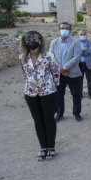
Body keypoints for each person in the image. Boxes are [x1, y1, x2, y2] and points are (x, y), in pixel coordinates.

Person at [20, 31, 60, 161]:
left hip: (48, 92)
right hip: (31, 93)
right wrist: (30, 84)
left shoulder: (48, 56)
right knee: (38, 120)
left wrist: (53, 86)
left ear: (40, 41)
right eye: (28, 39)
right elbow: (24, 74)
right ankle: (43, 147)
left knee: (48, 119)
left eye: (34, 39)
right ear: (25, 42)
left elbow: (56, 72)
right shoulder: (23, 58)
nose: (31, 41)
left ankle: (51, 147)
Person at [49, 22, 83, 122]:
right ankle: (59, 113)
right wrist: (60, 70)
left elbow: (76, 57)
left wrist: (65, 68)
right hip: (58, 74)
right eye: (63, 28)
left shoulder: (76, 42)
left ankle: (77, 113)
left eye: (67, 28)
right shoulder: (54, 42)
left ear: (70, 30)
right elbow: (51, 57)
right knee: (59, 95)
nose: (65, 30)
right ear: (59, 30)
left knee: (76, 94)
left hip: (73, 73)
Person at [78, 30, 91, 99]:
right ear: (78, 35)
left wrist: (81, 51)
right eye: (81, 34)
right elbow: (76, 52)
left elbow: (90, 50)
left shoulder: (90, 42)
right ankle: (80, 94)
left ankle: (90, 94)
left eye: (84, 34)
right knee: (80, 79)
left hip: (88, 63)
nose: (82, 36)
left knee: (89, 79)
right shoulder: (76, 42)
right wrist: (83, 50)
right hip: (79, 64)